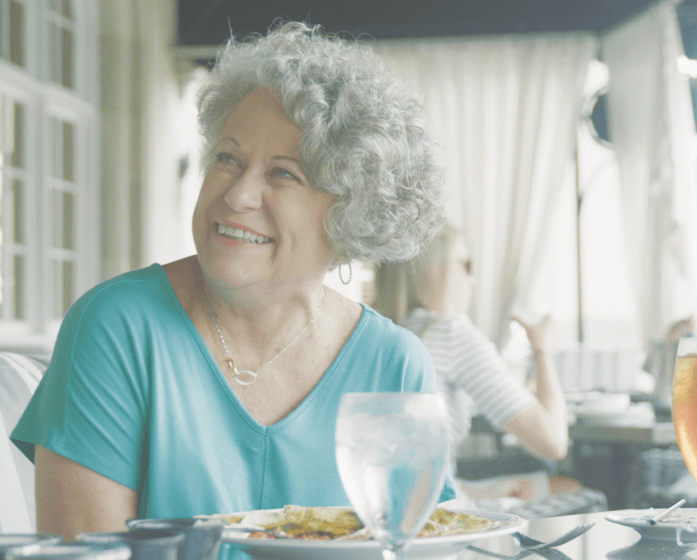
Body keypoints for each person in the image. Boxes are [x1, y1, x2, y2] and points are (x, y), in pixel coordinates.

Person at [11, 21, 453, 546]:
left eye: (283, 173)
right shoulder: (117, 327)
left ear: (351, 214)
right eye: (228, 158)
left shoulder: (394, 364)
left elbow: (420, 548)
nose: (239, 194)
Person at [372, 225, 571, 509]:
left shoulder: (380, 336)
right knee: (570, 487)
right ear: (433, 271)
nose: (473, 278)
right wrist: (542, 348)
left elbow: (405, 473)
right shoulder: (448, 333)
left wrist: (483, 493)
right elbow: (552, 441)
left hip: (391, 508)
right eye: (466, 264)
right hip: (437, 517)